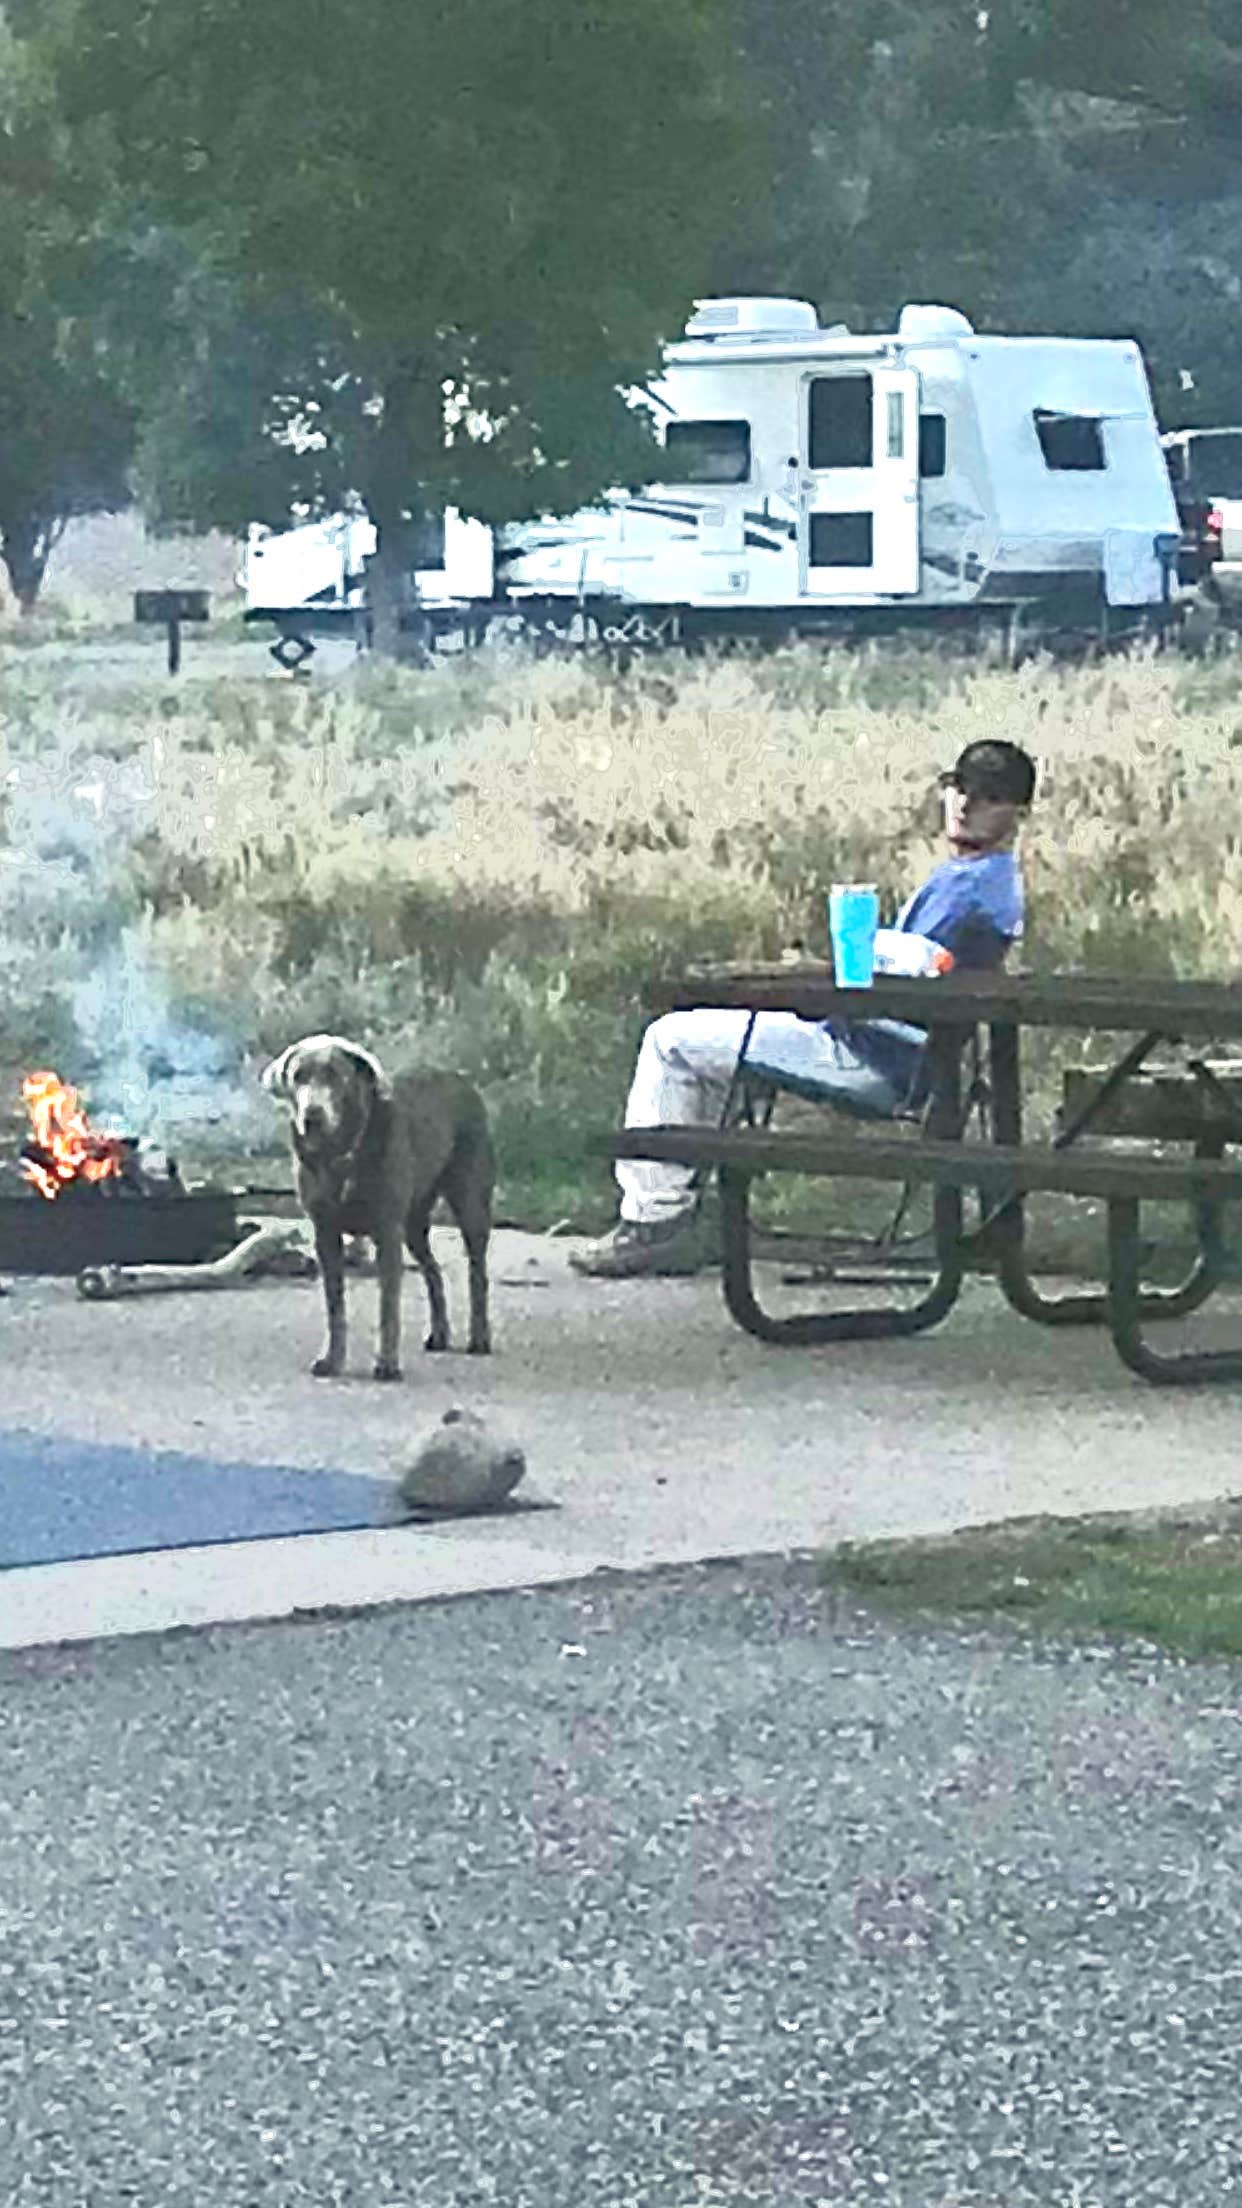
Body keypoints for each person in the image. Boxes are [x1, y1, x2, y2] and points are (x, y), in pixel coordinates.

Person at [571, 737, 1038, 1279]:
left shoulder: (975, 890)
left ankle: (654, 1221)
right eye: (959, 787)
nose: (965, 803)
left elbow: (913, 975)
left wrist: (816, 978)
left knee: (671, 1040)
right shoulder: (976, 880)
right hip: (895, 1049)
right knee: (705, 1047)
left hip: (876, 1054)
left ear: (1018, 813)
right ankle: (689, 1205)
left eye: (987, 796)